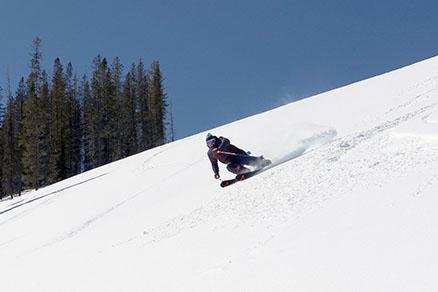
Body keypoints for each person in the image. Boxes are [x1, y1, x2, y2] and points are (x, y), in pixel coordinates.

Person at [205, 133, 270, 179]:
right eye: (208, 143)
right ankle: (245, 171)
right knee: (229, 167)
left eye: (212, 141)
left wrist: (221, 148)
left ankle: (261, 161)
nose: (211, 144)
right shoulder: (210, 153)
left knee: (244, 160)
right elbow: (214, 163)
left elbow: (226, 141)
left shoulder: (220, 140)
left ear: (215, 140)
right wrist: (216, 172)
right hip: (231, 161)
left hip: (237, 154)